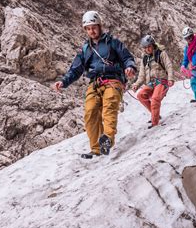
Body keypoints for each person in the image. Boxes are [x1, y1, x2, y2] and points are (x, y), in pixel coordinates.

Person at [54, 11, 136, 159]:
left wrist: (130, 67)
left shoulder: (113, 42)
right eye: (88, 28)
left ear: (100, 26)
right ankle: (96, 148)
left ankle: (107, 139)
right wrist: (64, 81)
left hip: (113, 81)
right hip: (95, 83)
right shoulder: (85, 49)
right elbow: (76, 69)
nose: (91, 31)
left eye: (94, 27)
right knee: (90, 112)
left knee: (109, 108)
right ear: (85, 30)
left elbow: (127, 57)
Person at [132, 35, 174, 128]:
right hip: (151, 83)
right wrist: (136, 85)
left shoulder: (161, 54)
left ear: (153, 45)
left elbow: (168, 66)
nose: (147, 49)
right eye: (145, 47)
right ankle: (155, 114)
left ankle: (155, 123)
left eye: (149, 46)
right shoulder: (145, 59)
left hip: (162, 81)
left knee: (155, 99)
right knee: (141, 95)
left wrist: (170, 78)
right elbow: (142, 75)